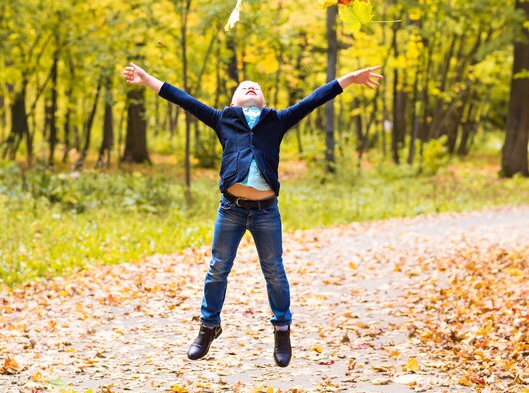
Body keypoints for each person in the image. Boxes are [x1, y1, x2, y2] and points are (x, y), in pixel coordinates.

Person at [122, 62, 382, 367]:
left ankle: (282, 331)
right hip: (231, 210)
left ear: (265, 102)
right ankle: (208, 327)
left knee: (274, 270)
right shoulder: (223, 120)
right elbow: (183, 99)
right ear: (232, 103)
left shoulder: (277, 120)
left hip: (266, 212)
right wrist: (147, 79)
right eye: (243, 86)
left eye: (255, 87)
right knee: (218, 268)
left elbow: (315, 99)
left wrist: (350, 79)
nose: (250, 86)